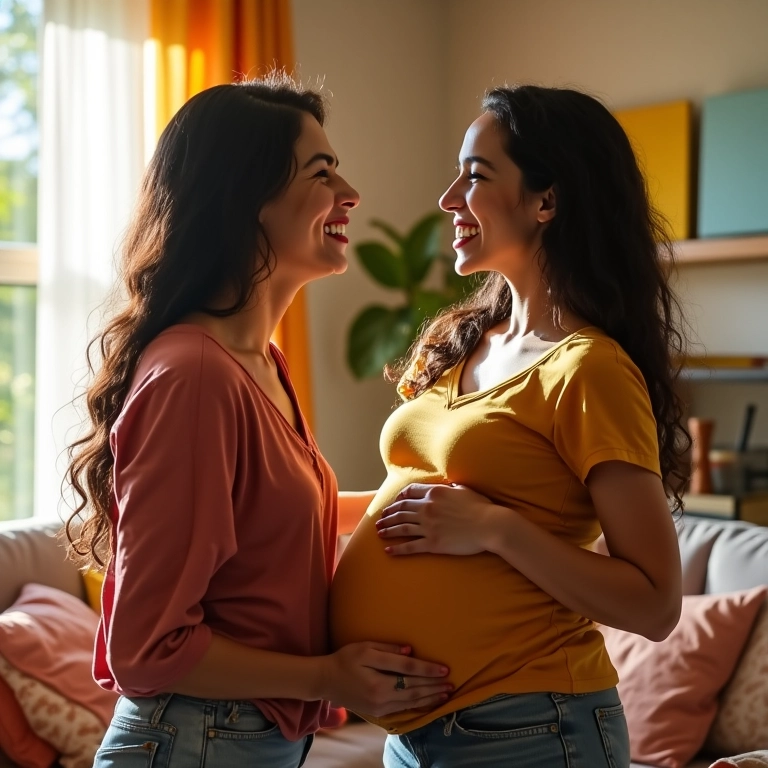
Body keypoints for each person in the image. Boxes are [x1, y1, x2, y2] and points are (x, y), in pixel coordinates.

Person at [64, 72, 452, 768]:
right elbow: (146, 647)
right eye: (322, 172)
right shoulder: (197, 376)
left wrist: (459, 509)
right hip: (190, 743)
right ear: (247, 199)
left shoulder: (259, 362)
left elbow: (271, 527)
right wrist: (328, 675)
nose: (350, 194)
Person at [330, 84, 689, 768]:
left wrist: (496, 528)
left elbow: (655, 603)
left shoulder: (591, 370)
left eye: (475, 176)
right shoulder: (462, 339)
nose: (448, 200)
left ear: (546, 201)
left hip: (531, 726)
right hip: (416, 738)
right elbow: (413, 505)